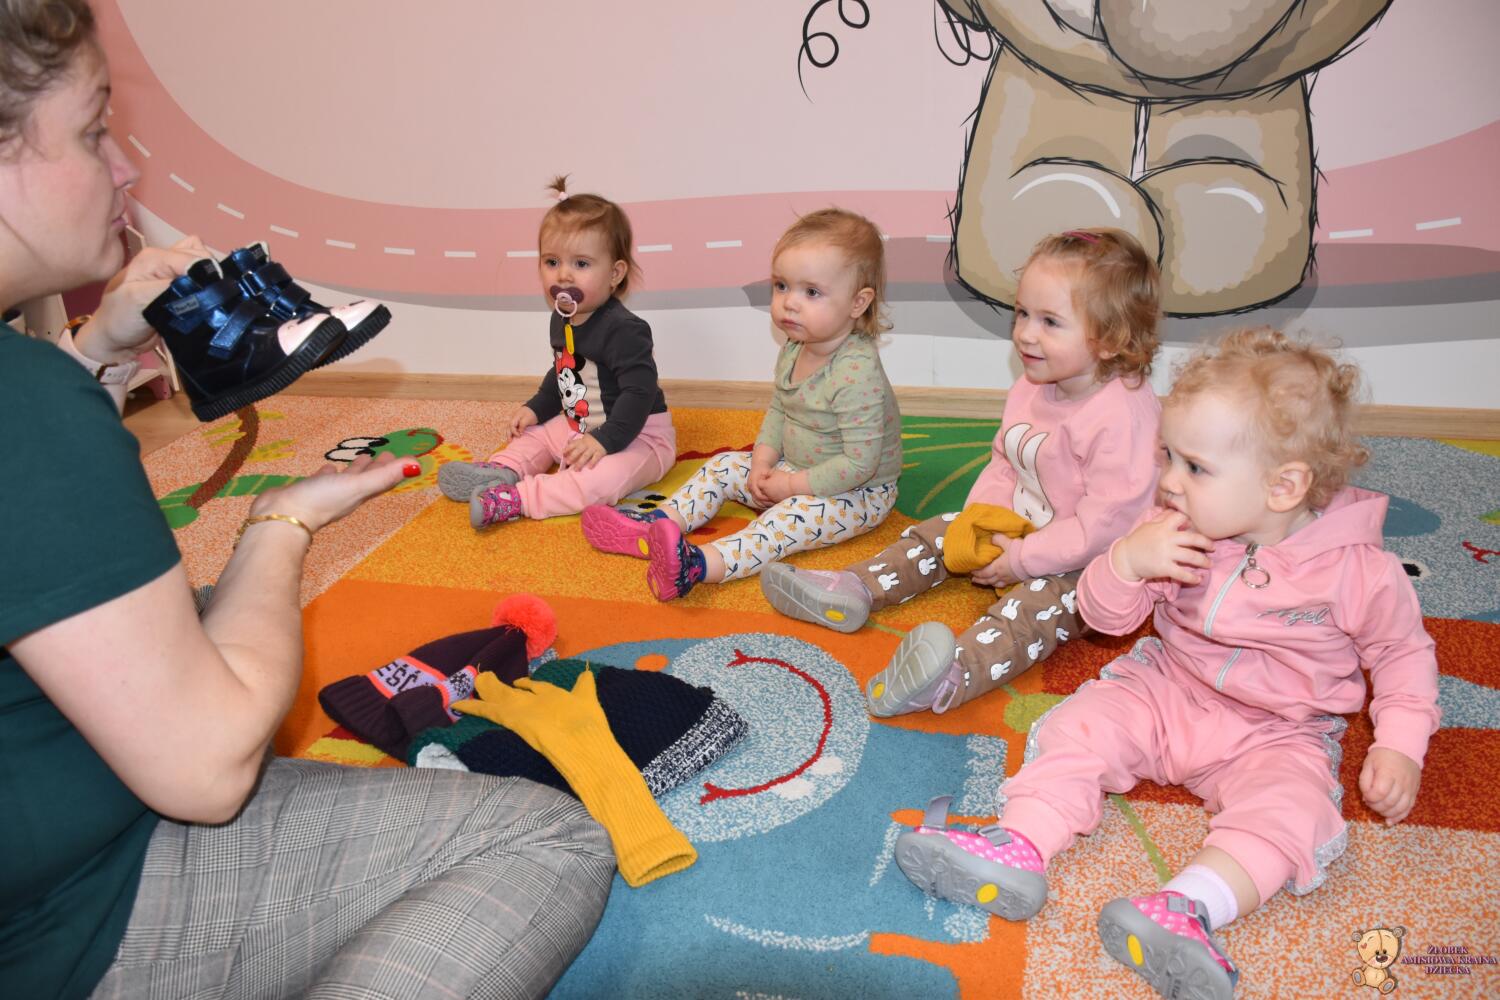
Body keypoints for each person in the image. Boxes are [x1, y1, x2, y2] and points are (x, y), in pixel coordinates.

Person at [0, 4, 613, 998]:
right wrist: (280, 526)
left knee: (201, 613)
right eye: (92, 129)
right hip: (72, 926)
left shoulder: (32, 391)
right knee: (548, 837)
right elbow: (207, 768)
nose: (123, 168)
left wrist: (98, 355)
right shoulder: (24, 402)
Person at [894, 329, 1440, 1000]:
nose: (1170, 481)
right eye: (1169, 456)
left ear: (1283, 486)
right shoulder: (1170, 526)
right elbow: (1107, 618)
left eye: (1195, 468)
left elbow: (1402, 655)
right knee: (1080, 726)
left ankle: (1189, 907)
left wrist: (1400, 745)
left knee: (1295, 811)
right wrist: (1126, 563)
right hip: (1164, 686)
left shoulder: (1361, 572)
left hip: (1278, 732)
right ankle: (1019, 843)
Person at [762, 229, 1163, 717]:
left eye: (1050, 322)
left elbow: (1101, 529)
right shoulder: (1035, 382)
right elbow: (1004, 459)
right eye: (1022, 314)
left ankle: (950, 675)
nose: (1025, 334)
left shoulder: (1122, 417)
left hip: (1090, 560)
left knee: (1033, 611)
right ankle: (854, 588)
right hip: (1022, 527)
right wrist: (979, 524)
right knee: (937, 534)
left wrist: (1022, 561)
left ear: (1111, 339)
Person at [578, 207, 903, 602]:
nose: (789, 303)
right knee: (722, 466)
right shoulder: (796, 347)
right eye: (781, 286)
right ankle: (657, 525)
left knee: (784, 523)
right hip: (794, 470)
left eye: (811, 292)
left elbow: (859, 464)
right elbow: (781, 410)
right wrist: (763, 462)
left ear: (858, 302)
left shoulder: (856, 374)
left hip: (855, 493)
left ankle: (697, 565)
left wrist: (791, 486)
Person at [438, 177, 676, 527]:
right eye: (552, 262)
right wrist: (536, 407)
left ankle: (519, 499)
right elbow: (564, 373)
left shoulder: (626, 330)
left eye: (581, 264)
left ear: (615, 273)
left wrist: (605, 440)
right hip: (580, 424)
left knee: (599, 480)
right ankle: (503, 470)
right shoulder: (562, 318)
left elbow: (639, 395)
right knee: (535, 434)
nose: (563, 275)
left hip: (638, 435)